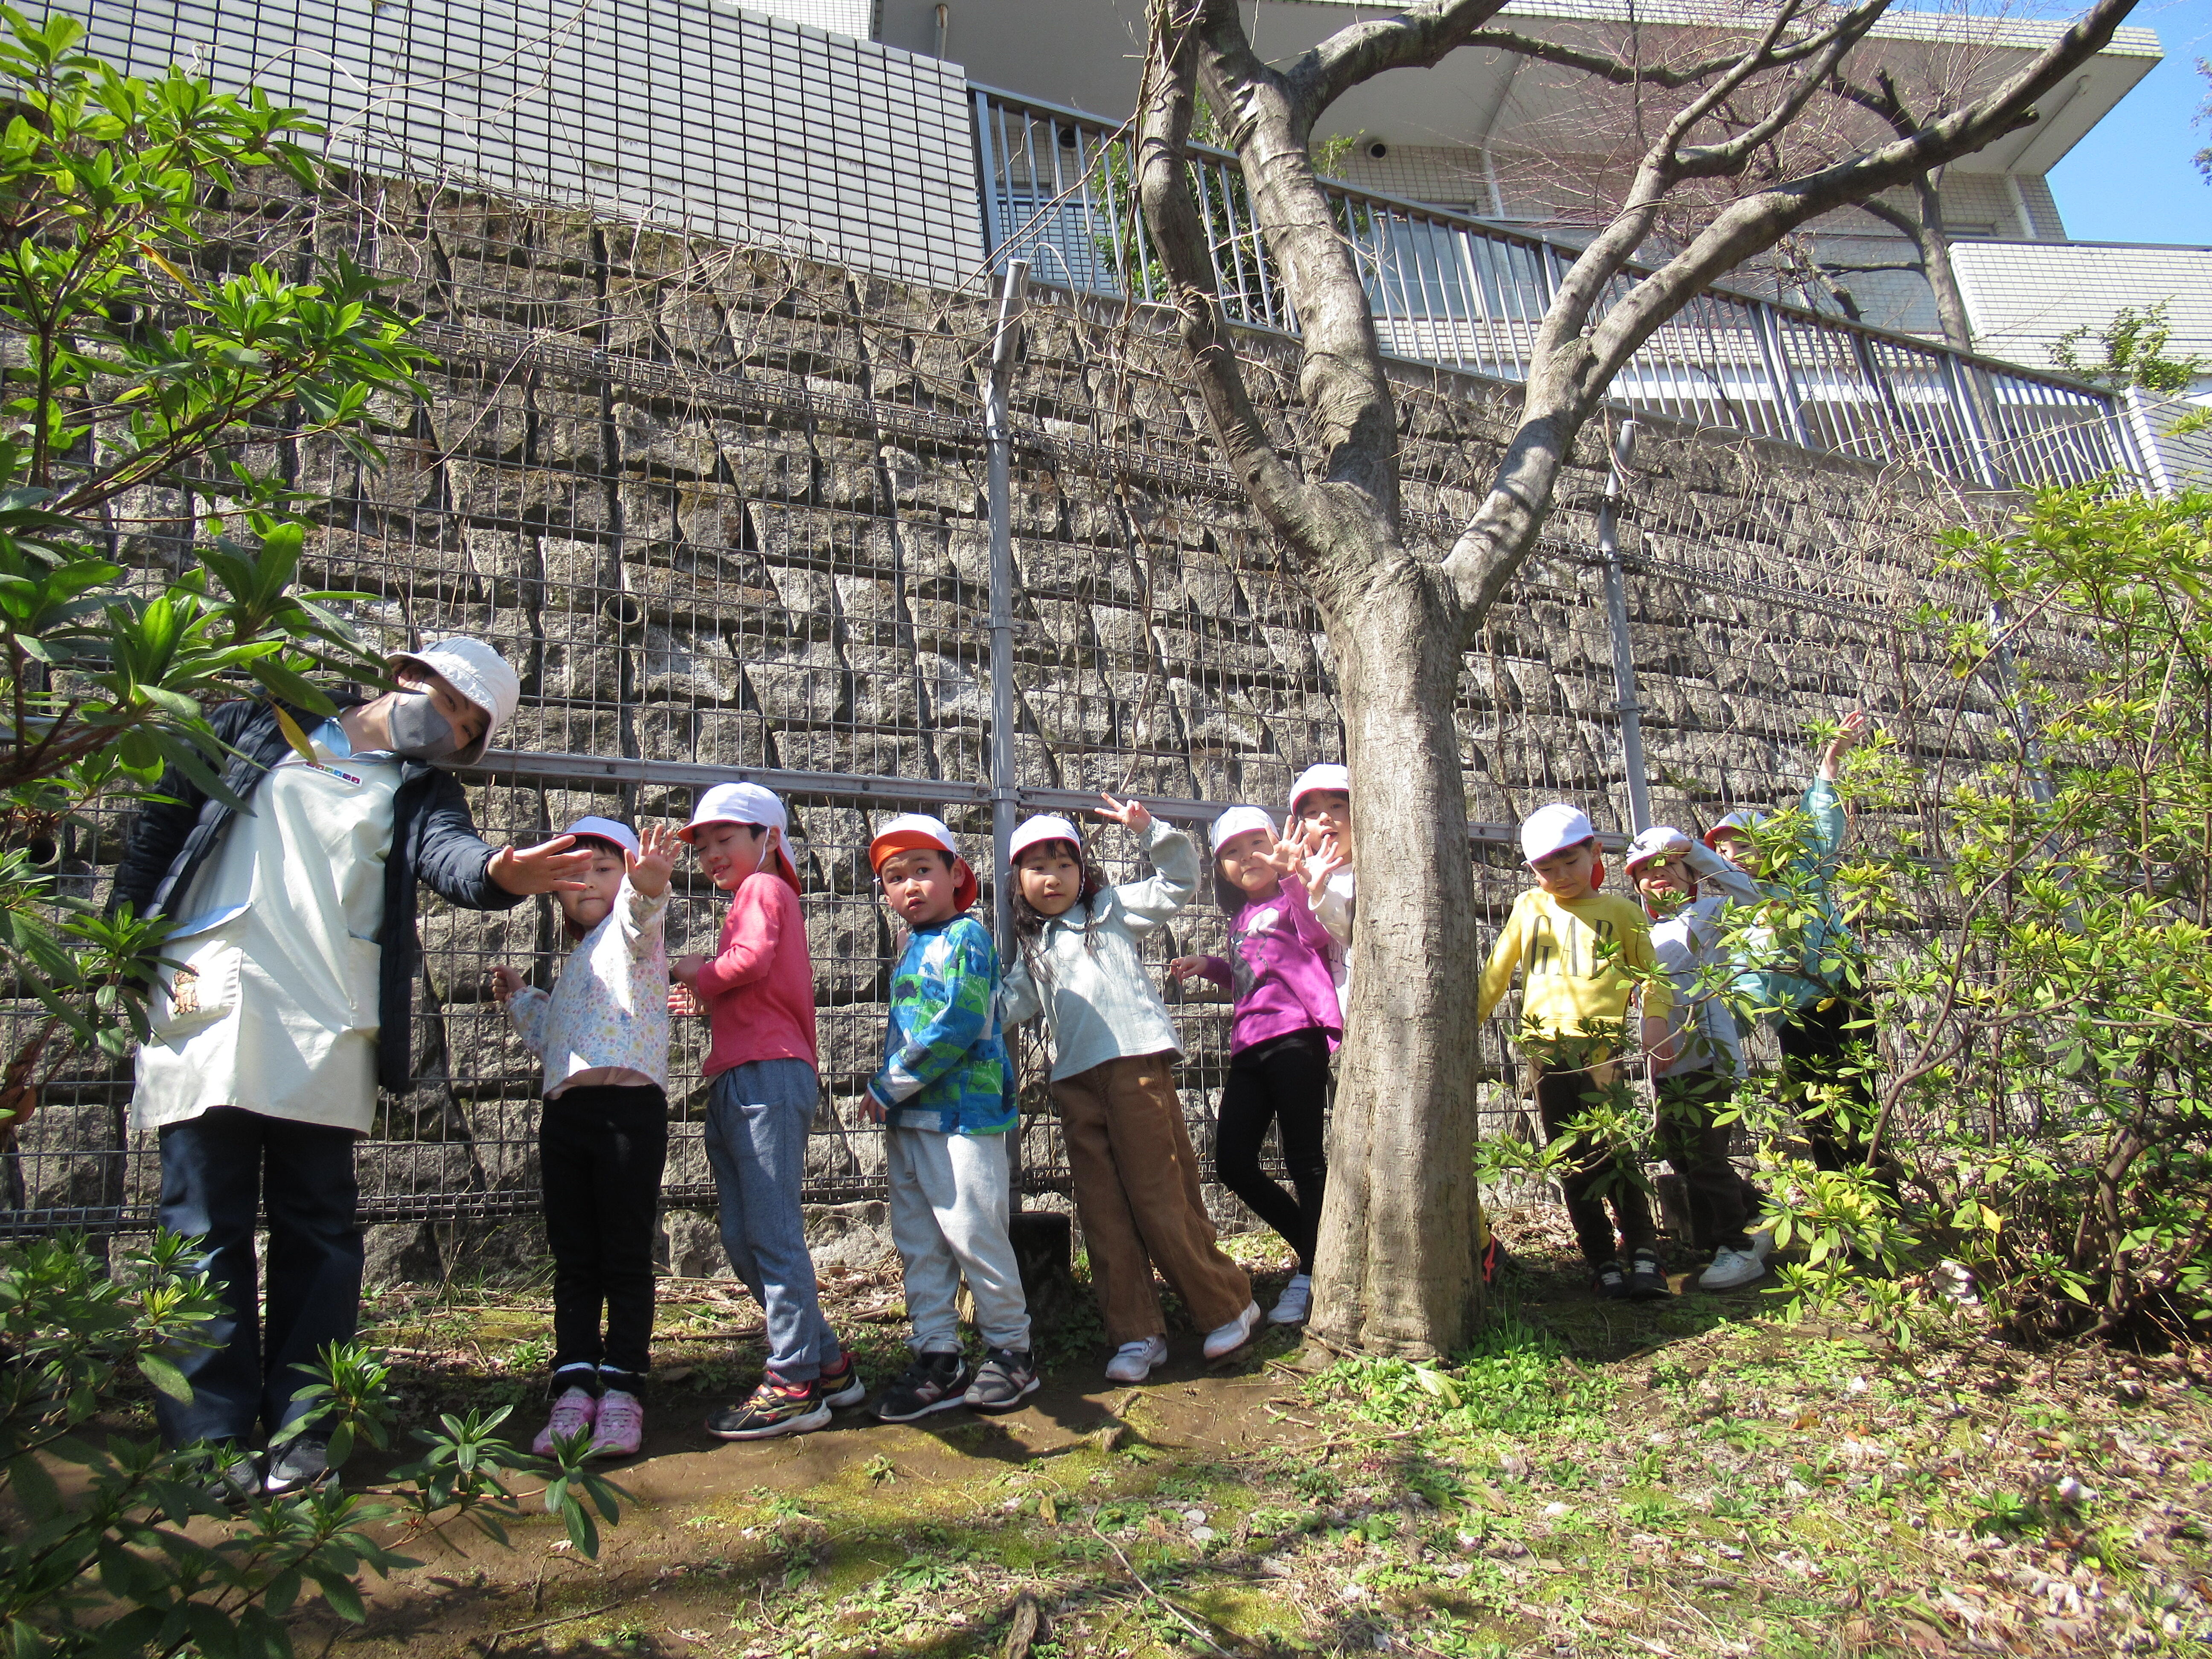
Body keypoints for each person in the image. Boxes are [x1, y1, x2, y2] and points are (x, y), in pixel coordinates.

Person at [115, 637, 595, 1496]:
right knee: (200, 1220)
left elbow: (452, 859)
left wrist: (504, 871)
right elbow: (163, 825)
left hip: (323, 1013)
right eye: (451, 704)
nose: (450, 728)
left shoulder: (421, 791)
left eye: (469, 726)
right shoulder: (256, 725)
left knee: (319, 1229)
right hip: (202, 990)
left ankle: (303, 1430)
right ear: (407, 677)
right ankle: (207, 1440)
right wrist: (123, 941)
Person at [1000, 798, 1256, 1382]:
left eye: (1064, 864)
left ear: (1083, 872)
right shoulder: (1033, 949)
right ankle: (1138, 1333)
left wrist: (1148, 830)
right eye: (1036, 867)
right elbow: (1004, 1007)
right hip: (1074, 1083)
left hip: (1135, 1064)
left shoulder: (1109, 909)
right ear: (1017, 881)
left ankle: (1227, 1304)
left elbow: (1177, 882)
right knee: (1103, 1209)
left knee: (1159, 1194)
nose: (1052, 877)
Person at [670, 783, 864, 1441]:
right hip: (742, 1073)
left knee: (772, 1232)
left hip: (766, 1075)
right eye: (703, 846)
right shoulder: (754, 899)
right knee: (743, 1235)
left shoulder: (764, 890)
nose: (712, 855)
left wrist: (698, 971)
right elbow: (753, 977)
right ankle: (829, 1364)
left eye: (726, 840)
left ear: (769, 839)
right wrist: (710, 995)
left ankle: (793, 1385)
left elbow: (745, 962)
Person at [492, 816, 679, 1458]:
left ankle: (624, 1390)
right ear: (555, 891)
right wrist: (522, 1000)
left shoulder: (635, 940)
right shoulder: (574, 963)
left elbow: (640, 918)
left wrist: (647, 886)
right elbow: (555, 1042)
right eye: (575, 873)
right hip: (567, 1116)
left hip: (629, 1112)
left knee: (624, 1256)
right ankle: (574, 1386)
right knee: (574, 1257)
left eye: (606, 868)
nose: (590, 881)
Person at [864, 814, 1036, 1420]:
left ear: (955, 875)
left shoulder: (968, 937)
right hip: (912, 1121)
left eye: (922, 871)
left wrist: (889, 1086)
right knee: (919, 1241)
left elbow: (959, 1025)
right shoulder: (912, 945)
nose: (910, 886)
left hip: (966, 1116)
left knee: (973, 1232)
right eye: (894, 877)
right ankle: (938, 1352)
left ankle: (1012, 1350)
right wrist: (897, 1099)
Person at [1477, 804, 1678, 1301]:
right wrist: (1466, 1028)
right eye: (1547, 868)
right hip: (1545, 1049)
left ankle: (1645, 1252)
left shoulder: (1623, 913)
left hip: (1601, 1048)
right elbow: (1496, 975)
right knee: (1568, 1155)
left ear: (1595, 852)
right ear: (1532, 872)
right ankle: (1600, 1258)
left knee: (1614, 1149)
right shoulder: (1531, 908)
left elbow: (1654, 979)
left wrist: (1656, 1022)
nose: (1560, 876)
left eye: (1569, 862)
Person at [1167, 805, 1339, 1335]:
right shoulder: (1239, 918)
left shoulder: (1296, 896)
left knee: (1306, 1159)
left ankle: (1312, 1271)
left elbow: (1316, 936)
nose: (1247, 859)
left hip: (1297, 1038)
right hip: (1250, 1047)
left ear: (1279, 843)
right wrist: (1212, 968)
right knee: (1233, 1163)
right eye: (1231, 855)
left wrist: (1293, 875)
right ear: (1222, 871)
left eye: (1255, 845)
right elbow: (1252, 974)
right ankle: (1316, 1246)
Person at [1705, 711, 1882, 1177]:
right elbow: (1744, 978)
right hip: (1794, 1016)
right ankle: (1841, 1197)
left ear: (1770, 842)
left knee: (1859, 1099)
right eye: (1723, 854)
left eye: (1742, 846)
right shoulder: (1737, 915)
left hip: (1842, 995)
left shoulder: (1804, 873)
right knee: (1814, 1106)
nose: (1734, 858)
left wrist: (1830, 764)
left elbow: (1822, 825)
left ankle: (1877, 1195)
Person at [1621, 825, 1771, 1292]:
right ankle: (1759, 1216)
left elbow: (1755, 898)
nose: (1658, 876)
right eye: (1646, 870)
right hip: (1669, 1065)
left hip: (1707, 1056)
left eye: (1668, 866)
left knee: (1706, 1155)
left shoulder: (1709, 913)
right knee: (1679, 1153)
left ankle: (1738, 1246)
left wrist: (1702, 855)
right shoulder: (1642, 930)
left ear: (1691, 875)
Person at [1284, 764, 1354, 1022]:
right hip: (1326, 1014)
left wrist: (1320, 893)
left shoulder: (1372, 872)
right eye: (1313, 812)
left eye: (1337, 806)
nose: (1325, 817)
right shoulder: (1306, 873)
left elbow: (1347, 934)